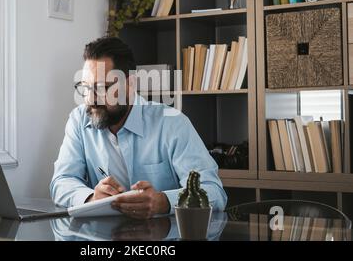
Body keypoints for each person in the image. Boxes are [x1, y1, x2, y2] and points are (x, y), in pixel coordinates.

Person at [50, 37, 227, 219]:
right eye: (86, 88)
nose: (90, 99)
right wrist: (90, 198)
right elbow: (62, 181)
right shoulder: (79, 119)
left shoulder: (172, 123)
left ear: (130, 84)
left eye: (102, 88)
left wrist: (164, 202)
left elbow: (213, 192)